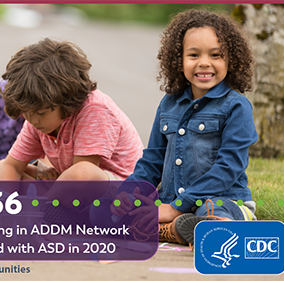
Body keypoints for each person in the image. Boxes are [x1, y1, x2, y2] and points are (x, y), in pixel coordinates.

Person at [91, 9, 258, 246]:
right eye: (193, 55)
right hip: (169, 200)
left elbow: (228, 168)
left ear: (231, 60)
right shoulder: (169, 103)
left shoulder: (237, 107)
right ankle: (177, 231)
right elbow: (152, 161)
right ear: (178, 60)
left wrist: (176, 207)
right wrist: (127, 195)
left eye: (216, 55)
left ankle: (214, 229)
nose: (204, 63)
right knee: (106, 214)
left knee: (211, 215)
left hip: (222, 199)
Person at [0, 38, 144, 214]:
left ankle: (44, 213)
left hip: (121, 194)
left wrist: (46, 203)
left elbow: (82, 174)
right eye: (26, 112)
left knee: (81, 172)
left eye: (40, 113)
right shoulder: (36, 116)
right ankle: (43, 212)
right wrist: (7, 205)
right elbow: (12, 166)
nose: (33, 120)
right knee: (1, 169)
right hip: (70, 189)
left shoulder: (94, 109)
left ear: (65, 99)